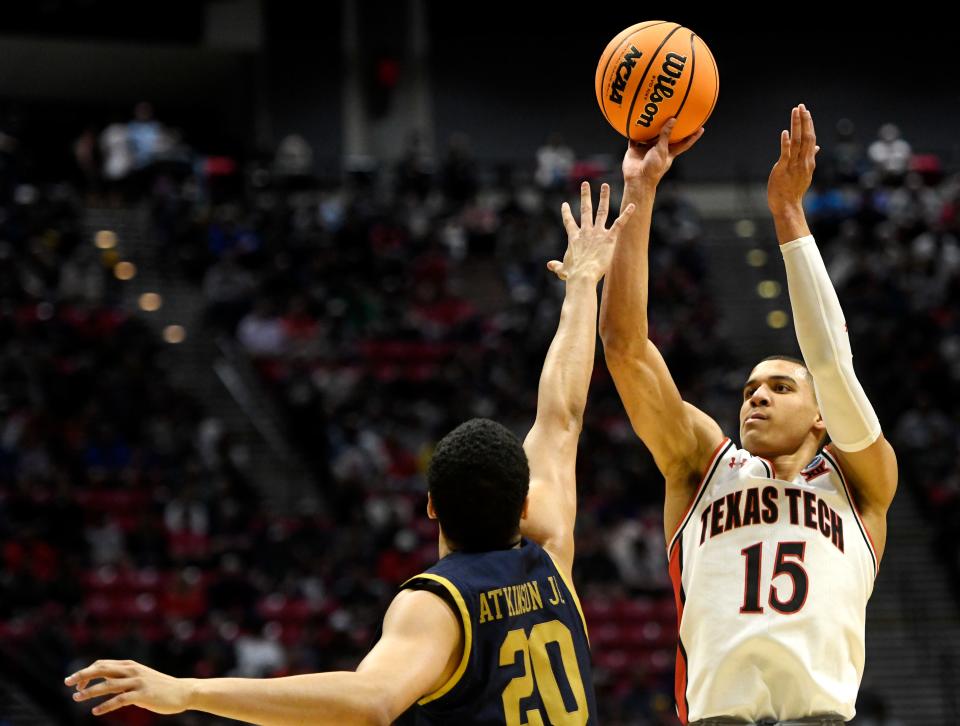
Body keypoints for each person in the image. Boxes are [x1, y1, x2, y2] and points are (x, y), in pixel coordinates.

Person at [64, 182, 636, 724]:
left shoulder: (438, 603)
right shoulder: (552, 549)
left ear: (431, 506)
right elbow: (561, 415)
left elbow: (370, 702)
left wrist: (187, 691)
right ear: (524, 504)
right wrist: (584, 283)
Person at [594, 106, 898, 725]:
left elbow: (834, 367)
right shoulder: (702, 464)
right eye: (751, 387)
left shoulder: (861, 485)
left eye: (781, 387)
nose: (756, 396)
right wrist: (640, 189)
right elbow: (625, 348)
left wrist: (789, 218)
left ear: (820, 418)